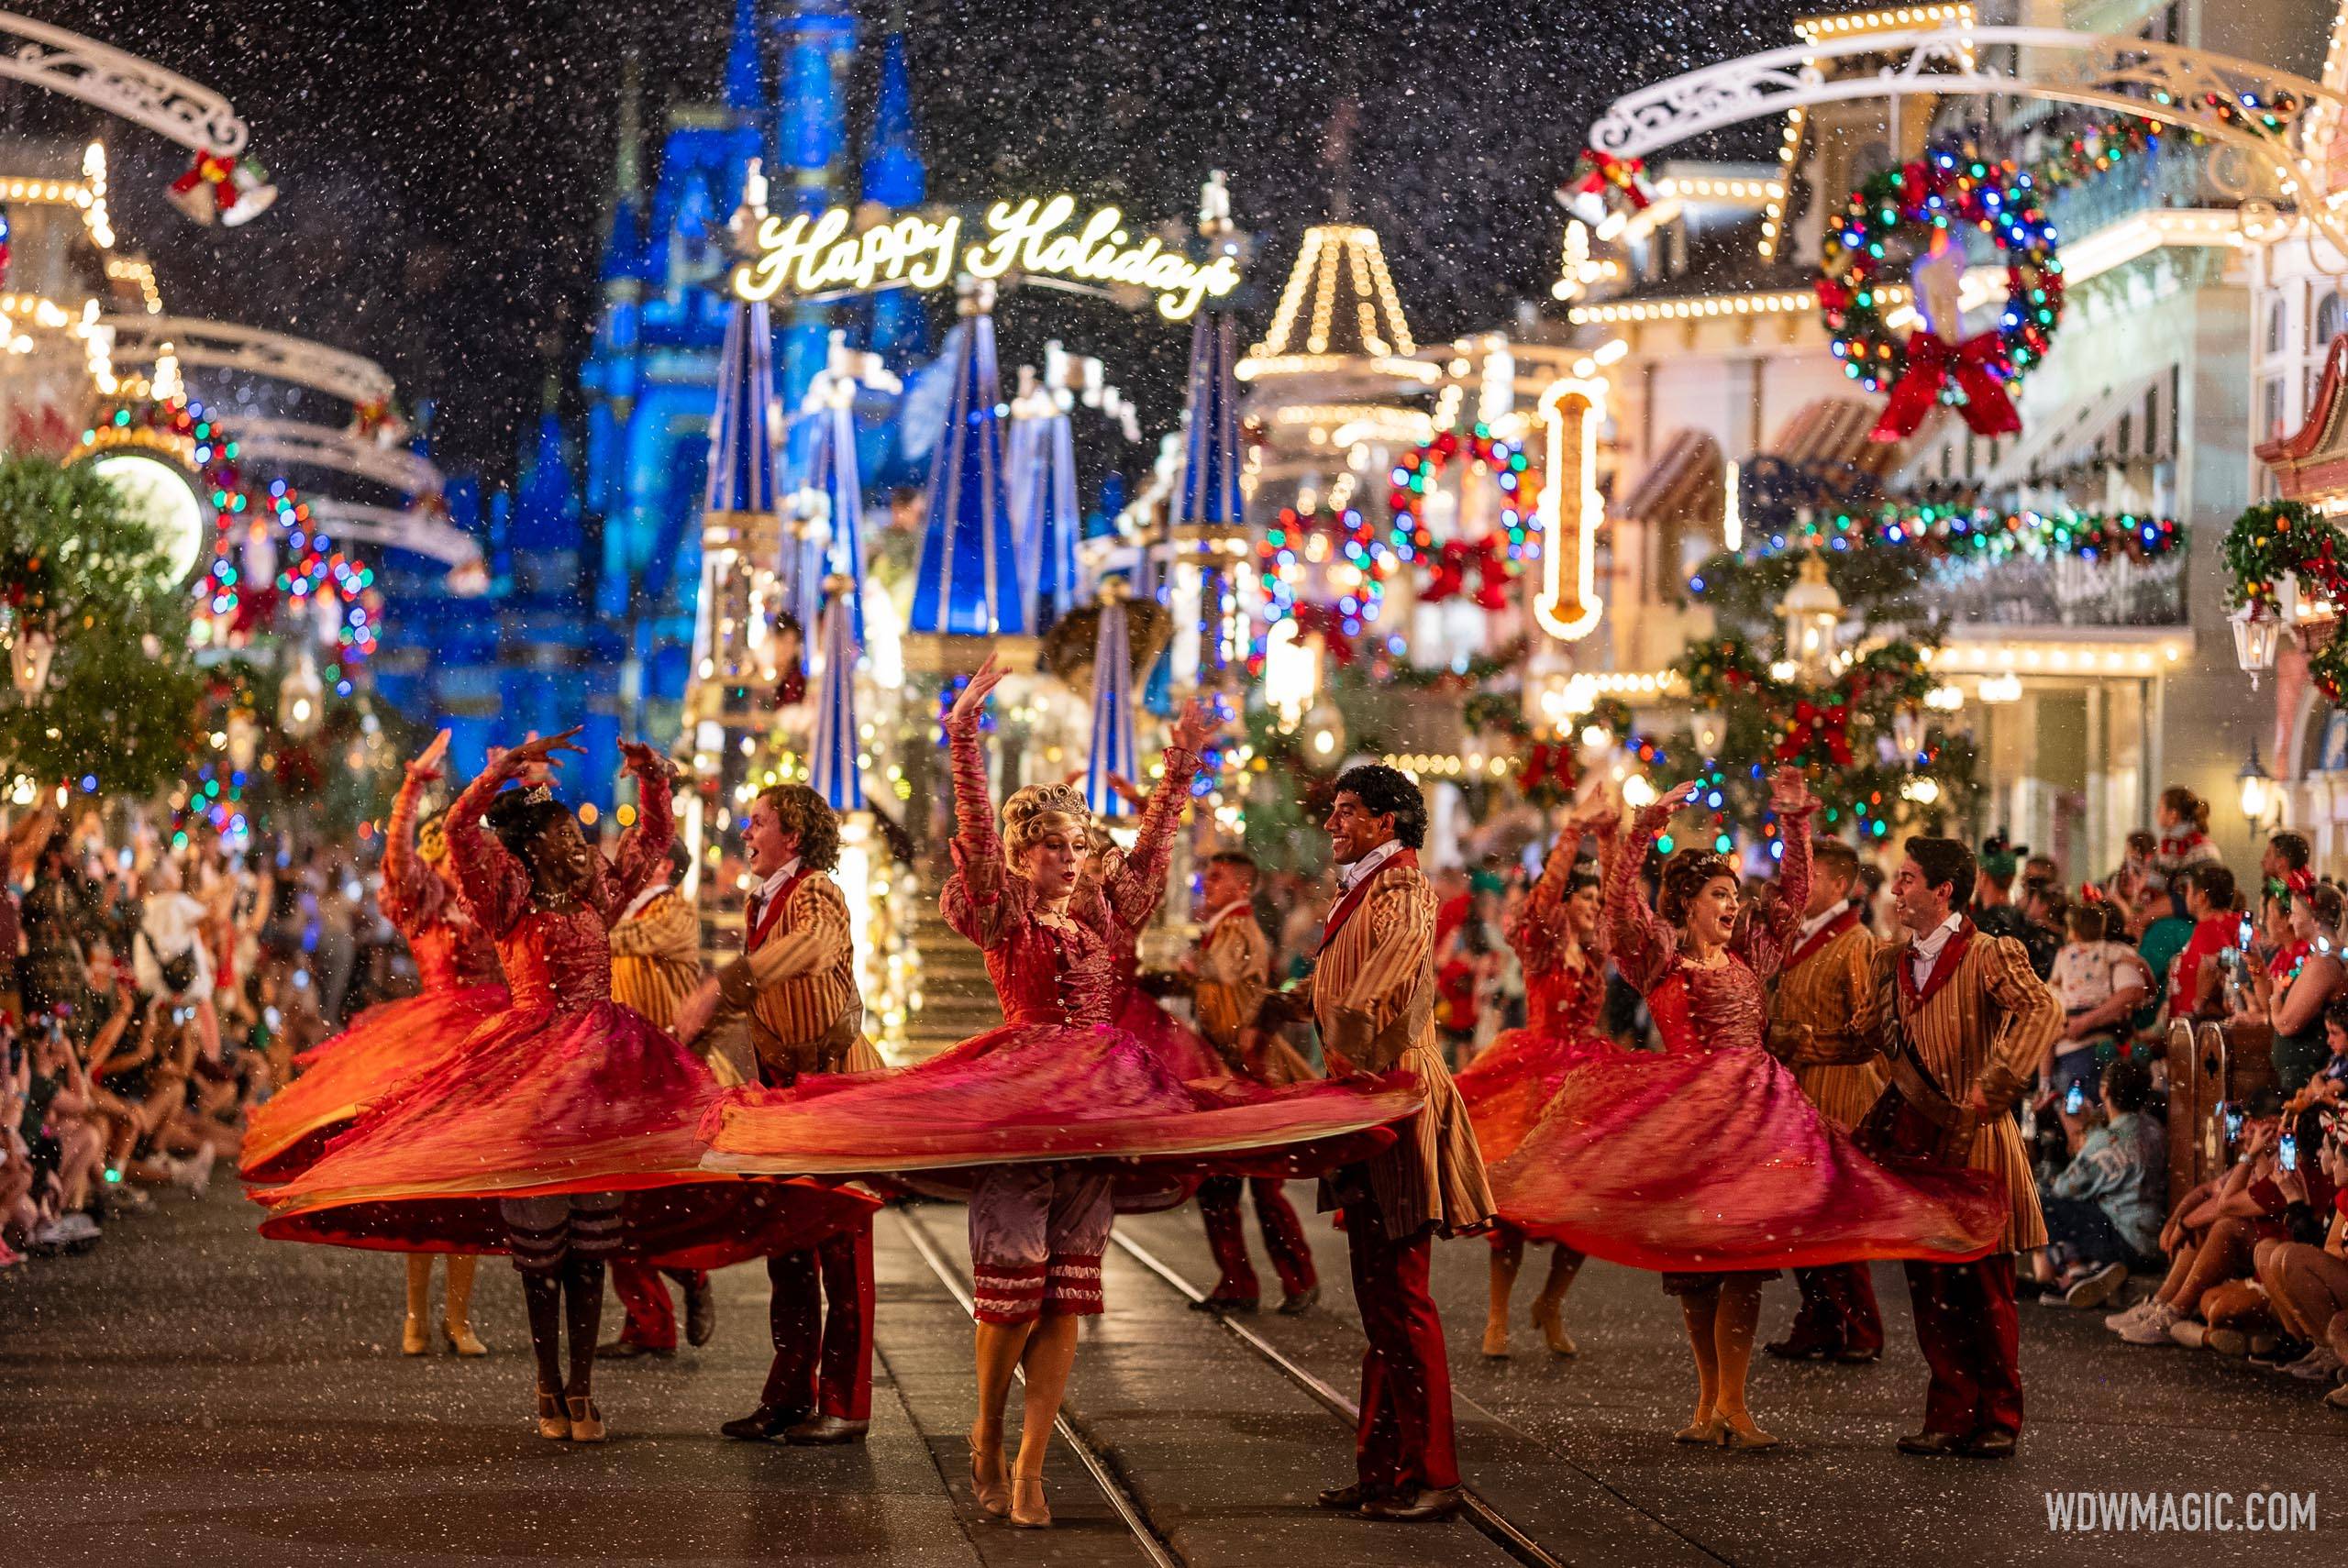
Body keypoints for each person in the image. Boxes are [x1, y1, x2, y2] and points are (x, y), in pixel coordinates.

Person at [699, 660, 1412, 1528]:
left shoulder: (1102, 916)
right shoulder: (1000, 909)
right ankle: (988, 1435)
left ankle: (1034, 1464)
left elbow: (1146, 860)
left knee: (1070, 1289)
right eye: (1052, 847)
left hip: (1102, 1100)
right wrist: (963, 737)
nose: (1070, 861)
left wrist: (1180, 766)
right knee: (1013, 1286)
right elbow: (972, 832)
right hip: (1017, 1103)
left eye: (1077, 848)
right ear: (1021, 854)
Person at [258, 728, 878, 1443]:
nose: (579, 843)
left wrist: (654, 783)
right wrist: (501, 774)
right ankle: (549, 1387)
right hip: (534, 1077)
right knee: (544, 1257)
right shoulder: (507, 899)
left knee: (595, 1248)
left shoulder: (600, 896)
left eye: (578, 833)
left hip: (605, 1073)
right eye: (561, 832)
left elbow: (648, 847)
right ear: (530, 849)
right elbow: (460, 828)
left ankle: (588, 1388)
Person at [1493, 778, 2002, 1454]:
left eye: (1735, 895)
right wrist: (1639, 830)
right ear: (1687, 904)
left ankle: (1735, 1400)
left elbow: (1792, 897)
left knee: (1744, 1262)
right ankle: (1708, 1401)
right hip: (1691, 1123)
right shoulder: (1659, 957)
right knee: (1698, 1269)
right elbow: (1619, 907)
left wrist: (1794, 820)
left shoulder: (1751, 957)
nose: (1733, 905)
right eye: (1719, 896)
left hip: (1756, 1120)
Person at [243, 734, 515, 1357]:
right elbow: (396, 854)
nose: (463, 854)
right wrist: (413, 786)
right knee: (421, 1186)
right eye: (453, 845)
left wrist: (514, 784)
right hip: (430, 1044)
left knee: (470, 1185)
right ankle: (418, 1317)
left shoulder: (491, 892)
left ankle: (459, 1318)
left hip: (487, 1048)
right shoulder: (424, 899)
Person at [1308, 763, 1493, 1520]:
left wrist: (1342, 1046)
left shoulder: (1405, 891)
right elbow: (1352, 987)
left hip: (1393, 1096)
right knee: (1381, 1298)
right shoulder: (1371, 888)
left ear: (1387, 823)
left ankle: (1434, 1475)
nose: (1332, 824)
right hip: (1370, 1093)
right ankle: (1385, 1467)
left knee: (1401, 1296)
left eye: (1347, 812)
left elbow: (1380, 991)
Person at [675, 782, 880, 1444]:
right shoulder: (760, 898)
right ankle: (788, 1394)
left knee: (840, 1246)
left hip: (833, 1088)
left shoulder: (815, 888)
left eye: (757, 823)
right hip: (786, 1093)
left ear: (792, 837)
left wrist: (722, 985)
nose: (747, 833)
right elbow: (766, 991)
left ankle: (845, 1405)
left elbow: (813, 948)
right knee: (788, 1249)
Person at [1855, 835, 2062, 1460]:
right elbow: (1860, 1038)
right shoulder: (1890, 962)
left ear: (1945, 890)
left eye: (1909, 879)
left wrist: (1992, 1088)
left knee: (1986, 1286)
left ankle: (1999, 1414)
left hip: (1977, 1143)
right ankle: (1948, 1412)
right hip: (1920, 1143)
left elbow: (2042, 1010)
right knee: (1930, 1285)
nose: (1896, 890)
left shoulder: (1991, 954)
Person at [1456, 799, 1615, 1361]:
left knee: (1582, 1211)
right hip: (1534, 1077)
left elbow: (1624, 905)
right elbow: (1541, 905)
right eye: (1588, 898)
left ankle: (1550, 1303)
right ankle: (1497, 1318)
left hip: (1584, 1082)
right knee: (1514, 1213)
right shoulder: (1543, 942)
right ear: (1566, 902)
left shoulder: (1595, 952)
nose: (1597, 907)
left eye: (1598, 898)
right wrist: (1570, 832)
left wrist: (1617, 836)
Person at [1763, 835, 1888, 1364]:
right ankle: (1819, 1315)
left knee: (1833, 1215)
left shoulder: (1856, 942)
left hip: (1838, 1090)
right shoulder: (1794, 937)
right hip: (1797, 1091)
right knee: (1798, 1213)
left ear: (1840, 884)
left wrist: (1801, 1038)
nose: (1798, 888)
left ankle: (1860, 1326)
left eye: (1809, 879)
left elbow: (1868, 1029)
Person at [1182, 849, 1322, 1317]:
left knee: (1262, 1184)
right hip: (1224, 1072)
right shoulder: (1221, 925)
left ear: (1243, 886)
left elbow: (1215, 973)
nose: (1208, 884)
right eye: (1207, 875)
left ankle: (1293, 1279)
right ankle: (1240, 1281)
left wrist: (1174, 967)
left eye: (1216, 877)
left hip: (1249, 1069)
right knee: (1221, 1184)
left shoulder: (1238, 927)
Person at [603, 841, 720, 1364]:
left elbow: (634, 939)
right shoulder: (626, 909)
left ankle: (682, 1283)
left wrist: (591, 928)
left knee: (645, 1200)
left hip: (667, 1074)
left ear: (665, 866)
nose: (628, 862)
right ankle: (649, 1320)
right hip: (624, 1073)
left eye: (641, 855)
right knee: (613, 1202)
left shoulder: (675, 910)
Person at [2032, 1057, 2165, 1307]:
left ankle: (2078, 1268)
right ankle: (2083, 1268)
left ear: (2104, 1090)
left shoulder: (2105, 1141)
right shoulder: (2153, 1128)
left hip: (2124, 1242)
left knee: (2041, 1204)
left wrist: (2079, 1130)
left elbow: (2065, 1187)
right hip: (2155, 1243)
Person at [2043, 902, 2151, 1141]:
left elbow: (2132, 992)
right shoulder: (2109, 951)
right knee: (2089, 1112)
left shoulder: (2063, 954)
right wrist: (2146, 973)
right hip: (2094, 1038)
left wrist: (2076, 1020)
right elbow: (2138, 973)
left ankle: (2087, 1156)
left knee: (2081, 1114)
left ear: (2072, 931)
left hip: (2078, 1041)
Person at [2245, 881, 2345, 1095]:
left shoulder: (2325, 965)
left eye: (2295, 914)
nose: (2291, 920)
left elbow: (2286, 1024)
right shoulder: (2320, 958)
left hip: (2308, 1080)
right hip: (2299, 1078)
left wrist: (2275, 1001)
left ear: (2316, 920)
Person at [2153, 787, 2221, 893]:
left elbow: (2187, 895)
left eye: (2160, 808)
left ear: (2173, 814)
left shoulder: (2200, 848)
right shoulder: (2171, 844)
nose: (2155, 813)